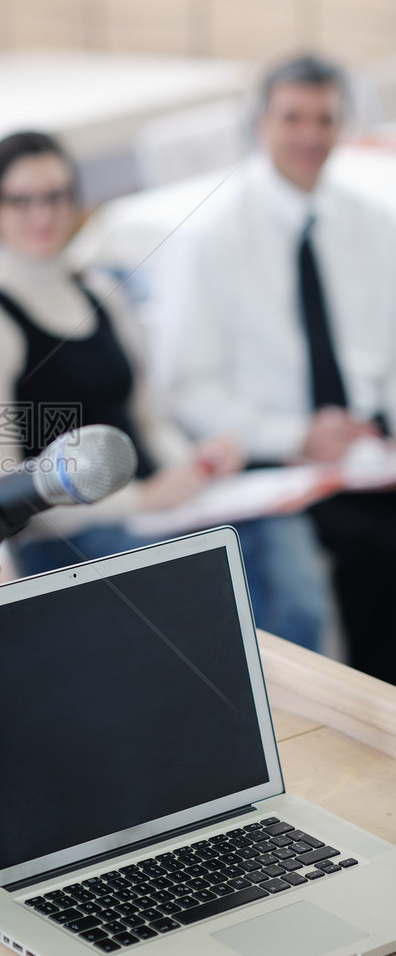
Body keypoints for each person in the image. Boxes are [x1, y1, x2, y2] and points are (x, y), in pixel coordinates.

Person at [0, 130, 329, 651]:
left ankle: (298, 700)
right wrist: (139, 500)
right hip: (74, 536)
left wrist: (195, 465)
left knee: (280, 531)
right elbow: (5, 494)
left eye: (57, 196)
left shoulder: (102, 293)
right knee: (218, 568)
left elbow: (148, 420)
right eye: (22, 200)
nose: (43, 214)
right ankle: (262, 703)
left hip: (157, 507)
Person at [153, 54, 396, 681]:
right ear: (260, 123)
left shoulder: (373, 224)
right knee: (373, 555)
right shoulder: (209, 237)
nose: (310, 136)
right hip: (273, 457)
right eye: (293, 118)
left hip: (369, 452)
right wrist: (295, 435)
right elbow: (185, 388)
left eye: (325, 119)